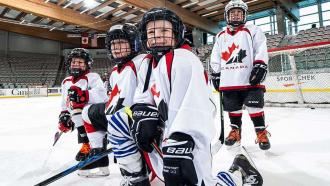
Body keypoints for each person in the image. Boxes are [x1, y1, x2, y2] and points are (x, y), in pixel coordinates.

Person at [127, 7, 264, 186]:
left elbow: (197, 105)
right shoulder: (147, 62)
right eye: (151, 32)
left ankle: (239, 171)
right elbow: (143, 95)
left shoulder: (184, 59)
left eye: (164, 30)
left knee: (198, 182)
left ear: (177, 33)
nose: (157, 36)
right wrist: (143, 113)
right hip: (166, 133)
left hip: (189, 137)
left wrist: (180, 140)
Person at [81, 23, 149, 182]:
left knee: (117, 124)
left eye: (121, 43)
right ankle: (97, 149)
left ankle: (136, 177)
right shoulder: (115, 71)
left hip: (135, 116)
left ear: (134, 43)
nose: (117, 48)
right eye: (113, 44)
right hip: (117, 113)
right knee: (87, 112)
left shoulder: (143, 61)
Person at [210, 0, 271, 150]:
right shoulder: (220, 35)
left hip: (249, 78)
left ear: (244, 15)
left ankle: (261, 132)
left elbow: (260, 48)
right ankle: (235, 131)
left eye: (239, 13)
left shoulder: (253, 29)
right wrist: (216, 73)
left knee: (254, 105)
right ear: (227, 16)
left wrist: (260, 64)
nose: (236, 15)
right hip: (229, 79)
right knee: (233, 107)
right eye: (232, 13)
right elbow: (216, 56)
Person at [57, 48, 108, 175]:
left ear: (87, 64)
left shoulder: (92, 77)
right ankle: (90, 149)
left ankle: (90, 146)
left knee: (78, 106)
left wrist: (83, 95)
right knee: (74, 107)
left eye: (80, 62)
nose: (76, 64)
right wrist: (64, 115)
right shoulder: (66, 81)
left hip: (96, 117)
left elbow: (102, 96)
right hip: (80, 116)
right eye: (74, 62)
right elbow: (65, 102)